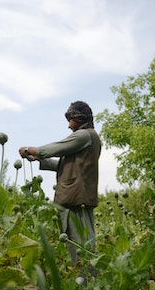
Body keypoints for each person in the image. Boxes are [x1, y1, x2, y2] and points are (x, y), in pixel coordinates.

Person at [18, 101, 101, 271]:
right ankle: (86, 279)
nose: (69, 125)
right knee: (79, 244)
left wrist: (30, 150)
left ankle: (87, 280)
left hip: (77, 198)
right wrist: (38, 159)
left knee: (81, 246)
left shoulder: (83, 135)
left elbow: (55, 148)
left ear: (79, 118)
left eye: (70, 119)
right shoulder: (88, 138)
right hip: (78, 197)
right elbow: (65, 165)